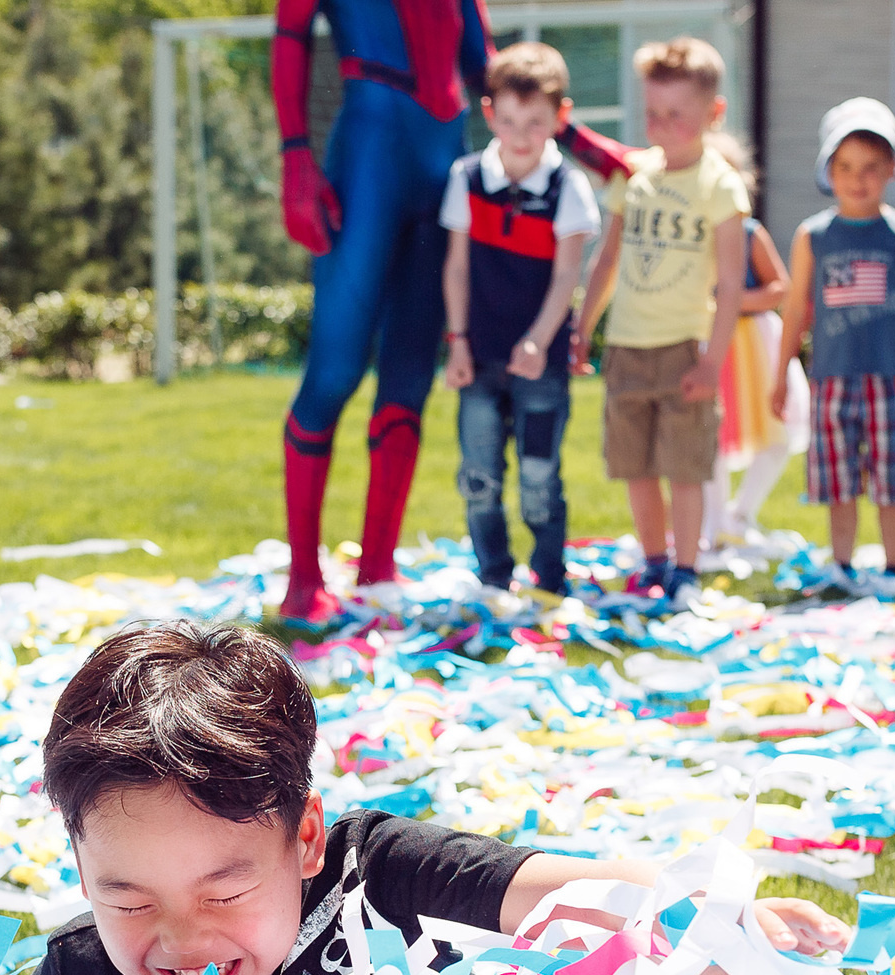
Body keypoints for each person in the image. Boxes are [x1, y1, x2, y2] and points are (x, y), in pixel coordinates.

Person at [16, 623, 851, 975]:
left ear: (304, 839)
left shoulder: (371, 873)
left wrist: (717, 923)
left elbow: (573, 888)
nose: (182, 940)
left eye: (226, 887)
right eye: (126, 901)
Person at [268, 0, 626, 625]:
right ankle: (304, 577)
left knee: (408, 378)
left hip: (439, 167)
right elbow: (290, 29)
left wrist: (583, 144)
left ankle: (377, 565)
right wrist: (294, 153)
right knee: (333, 374)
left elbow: (492, 74)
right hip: (368, 162)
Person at [574, 37, 746, 607]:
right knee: (636, 465)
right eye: (652, 112)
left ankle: (687, 569)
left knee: (684, 467)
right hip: (626, 347)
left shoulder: (720, 185)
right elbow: (608, 258)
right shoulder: (635, 176)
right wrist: (583, 326)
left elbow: (729, 284)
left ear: (712, 114)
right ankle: (653, 562)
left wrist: (711, 361)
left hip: (683, 350)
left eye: (677, 114)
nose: (661, 125)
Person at [440, 42, 602, 600]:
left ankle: (549, 582)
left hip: (542, 365)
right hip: (479, 357)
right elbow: (456, 267)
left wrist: (537, 341)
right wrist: (456, 343)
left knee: (539, 478)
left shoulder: (568, 188)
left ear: (561, 116)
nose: (521, 134)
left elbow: (566, 279)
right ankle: (493, 578)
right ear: (489, 114)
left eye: (536, 122)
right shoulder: (467, 178)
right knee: (479, 480)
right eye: (507, 120)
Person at [772, 98, 895, 594]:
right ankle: (841, 566)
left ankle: (892, 568)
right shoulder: (812, 235)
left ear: (890, 169)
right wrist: (780, 375)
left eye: (869, 168)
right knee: (838, 481)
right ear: (828, 171)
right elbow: (796, 309)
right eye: (844, 167)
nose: (857, 179)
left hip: (890, 379)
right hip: (832, 378)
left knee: (892, 482)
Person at [702, 135, 806, 553]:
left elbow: (779, 286)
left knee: (777, 435)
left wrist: (735, 301)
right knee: (711, 440)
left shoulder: (749, 233)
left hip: (752, 345)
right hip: (709, 342)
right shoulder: (692, 234)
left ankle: (741, 513)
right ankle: (715, 523)